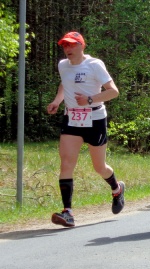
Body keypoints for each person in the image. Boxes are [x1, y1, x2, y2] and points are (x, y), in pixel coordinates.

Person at [47, 32, 125, 227]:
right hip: (72, 118)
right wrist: (57, 101)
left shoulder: (94, 65)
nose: (68, 49)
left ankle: (117, 189)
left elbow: (113, 91)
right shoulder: (63, 65)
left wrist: (90, 100)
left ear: (82, 46)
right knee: (66, 163)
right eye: (65, 46)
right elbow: (65, 84)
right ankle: (68, 213)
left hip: (95, 118)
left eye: (72, 45)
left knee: (99, 167)